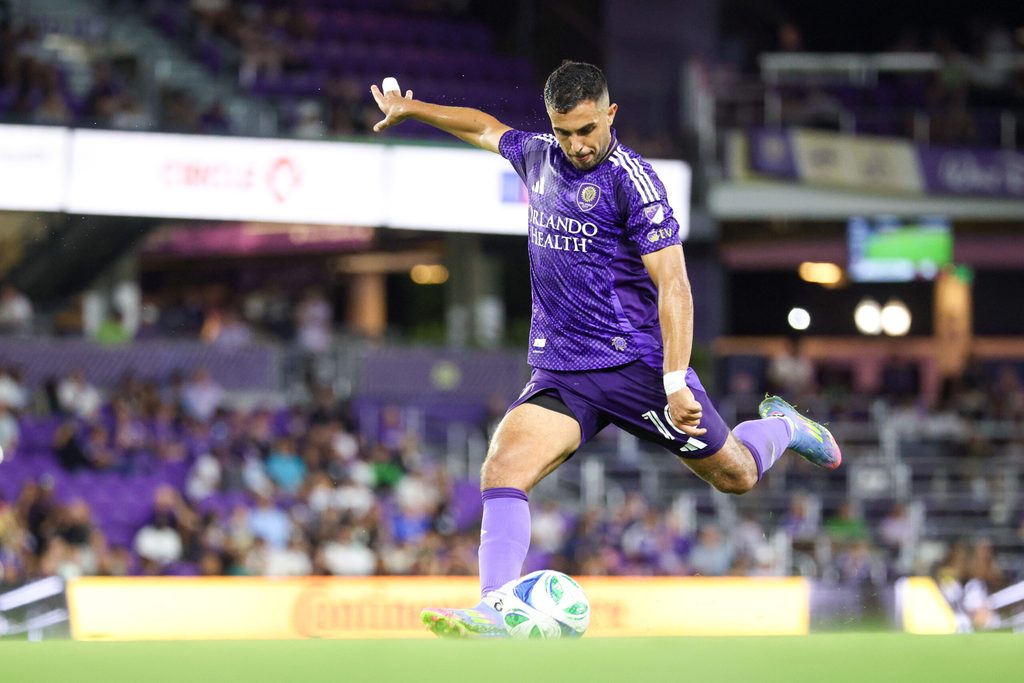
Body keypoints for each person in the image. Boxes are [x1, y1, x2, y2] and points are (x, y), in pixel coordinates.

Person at [370, 61, 841, 638]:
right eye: (564, 131)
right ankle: (496, 606)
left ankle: (786, 428)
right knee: (503, 465)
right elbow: (482, 128)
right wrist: (413, 109)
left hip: (637, 368)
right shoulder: (539, 155)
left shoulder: (632, 180)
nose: (576, 144)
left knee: (736, 476)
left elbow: (674, 285)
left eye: (587, 130)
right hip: (564, 369)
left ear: (609, 114)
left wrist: (673, 381)